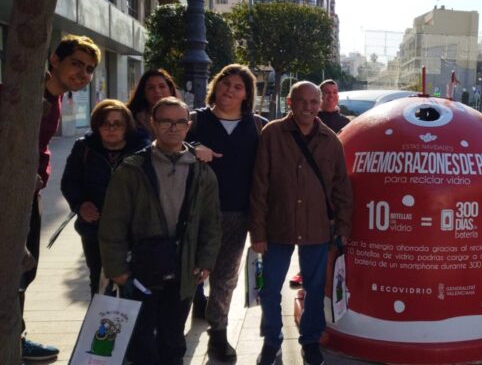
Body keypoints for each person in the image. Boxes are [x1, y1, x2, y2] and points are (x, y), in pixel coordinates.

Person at [99, 97, 222, 365]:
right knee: (141, 338)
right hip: (141, 267)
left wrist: (206, 260)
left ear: (188, 126)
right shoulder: (132, 169)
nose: (173, 128)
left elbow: (211, 221)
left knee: (173, 337)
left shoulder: (202, 172)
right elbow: (113, 222)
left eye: (180, 122)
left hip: (184, 265)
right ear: (153, 123)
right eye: (166, 121)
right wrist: (116, 268)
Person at [250, 81, 353, 365]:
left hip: (317, 228)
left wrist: (343, 229)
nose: (307, 107)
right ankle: (272, 341)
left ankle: (310, 341)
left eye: (313, 102)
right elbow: (259, 186)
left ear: (319, 105)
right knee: (270, 288)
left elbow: (342, 189)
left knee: (315, 287)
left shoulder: (330, 140)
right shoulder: (272, 134)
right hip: (277, 227)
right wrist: (257, 232)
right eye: (302, 101)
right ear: (290, 102)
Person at [12, 34, 100, 361]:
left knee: (25, 268)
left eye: (89, 69)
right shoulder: (24, 94)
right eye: (76, 63)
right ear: (54, 60)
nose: (83, 73)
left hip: (28, 193)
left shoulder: (56, 96)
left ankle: (14, 336)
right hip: (11, 194)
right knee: (15, 268)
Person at [187, 64, 266, 361]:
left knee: (225, 276)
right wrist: (191, 147)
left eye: (238, 87)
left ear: (247, 94)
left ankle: (217, 334)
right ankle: (181, 317)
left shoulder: (257, 125)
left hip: (237, 213)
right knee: (190, 270)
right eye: (225, 83)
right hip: (195, 212)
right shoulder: (195, 120)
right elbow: (166, 144)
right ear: (215, 85)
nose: (229, 90)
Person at [60, 99, 149, 296]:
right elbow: (70, 181)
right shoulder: (84, 147)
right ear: (96, 125)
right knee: (99, 280)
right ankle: (101, 325)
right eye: (105, 123)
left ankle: (136, 325)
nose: (111, 129)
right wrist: (80, 204)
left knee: (133, 280)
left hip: (132, 229)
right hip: (95, 228)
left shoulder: (143, 149)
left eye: (117, 124)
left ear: (127, 126)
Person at [289, 79, 350, 288]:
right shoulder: (310, 119)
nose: (331, 96)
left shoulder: (346, 124)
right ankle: (303, 271)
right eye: (326, 93)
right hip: (304, 185)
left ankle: (327, 271)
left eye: (334, 92)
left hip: (330, 188)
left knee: (323, 236)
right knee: (303, 232)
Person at [126, 68, 179, 139]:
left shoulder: (182, 116)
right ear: (143, 92)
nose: (157, 91)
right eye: (150, 88)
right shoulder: (130, 118)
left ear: (171, 90)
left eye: (161, 86)